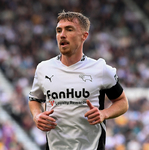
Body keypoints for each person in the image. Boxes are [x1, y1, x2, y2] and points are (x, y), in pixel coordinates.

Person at [28, 11, 129, 150]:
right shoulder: (43, 68)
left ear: (84, 36)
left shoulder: (100, 69)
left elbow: (122, 102)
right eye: (59, 30)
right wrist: (37, 115)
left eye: (69, 29)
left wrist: (104, 114)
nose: (62, 35)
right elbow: (34, 99)